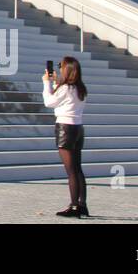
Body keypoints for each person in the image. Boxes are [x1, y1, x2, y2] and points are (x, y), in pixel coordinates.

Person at [43, 55, 89, 218]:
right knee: (77, 169)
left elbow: (49, 102)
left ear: (67, 69)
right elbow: (65, 100)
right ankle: (82, 204)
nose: (60, 68)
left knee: (70, 172)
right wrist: (56, 82)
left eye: (61, 66)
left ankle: (74, 206)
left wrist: (46, 83)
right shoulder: (80, 89)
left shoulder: (65, 88)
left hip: (64, 128)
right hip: (78, 128)